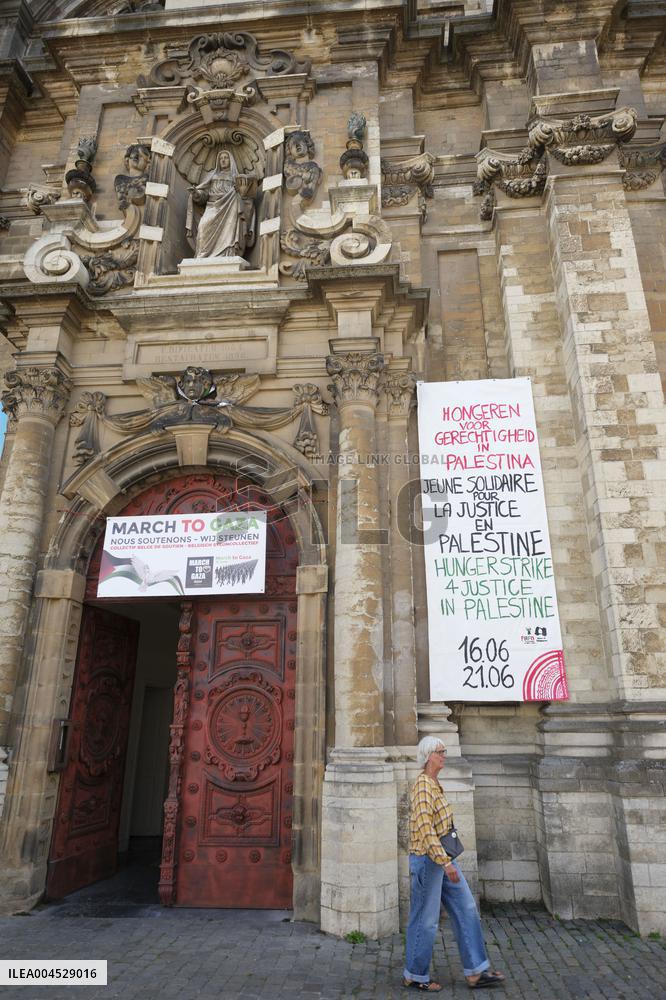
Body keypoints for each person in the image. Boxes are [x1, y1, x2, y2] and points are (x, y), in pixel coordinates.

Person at [403, 736, 505, 992]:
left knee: (466, 907)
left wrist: (446, 862)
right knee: (426, 919)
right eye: (440, 751)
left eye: (444, 751)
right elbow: (425, 830)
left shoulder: (434, 783)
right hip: (429, 860)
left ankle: (476, 972)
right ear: (429, 756)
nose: (444, 755)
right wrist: (445, 863)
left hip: (443, 859)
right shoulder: (423, 786)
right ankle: (415, 974)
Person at [186, 149, 255, 259]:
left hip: (230, 206)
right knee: (203, 227)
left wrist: (242, 190)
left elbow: (246, 193)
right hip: (212, 206)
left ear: (230, 160)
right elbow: (205, 195)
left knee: (230, 230)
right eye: (221, 158)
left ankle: (229, 253)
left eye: (226, 158)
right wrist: (196, 194)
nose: (223, 160)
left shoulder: (235, 177)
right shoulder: (212, 176)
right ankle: (202, 255)